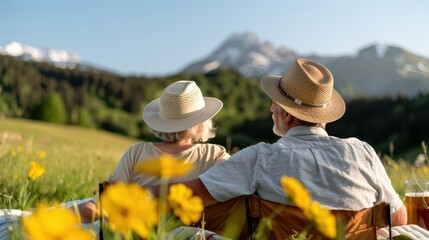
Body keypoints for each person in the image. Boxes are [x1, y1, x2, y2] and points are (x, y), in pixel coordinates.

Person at [176, 58, 407, 226]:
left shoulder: (259, 158)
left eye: (275, 103)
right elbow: (398, 218)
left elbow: (181, 195)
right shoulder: (363, 152)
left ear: (287, 115)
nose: (270, 108)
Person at [77, 80, 230, 223]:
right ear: (202, 123)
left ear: (161, 121)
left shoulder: (136, 152)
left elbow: (105, 203)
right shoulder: (215, 155)